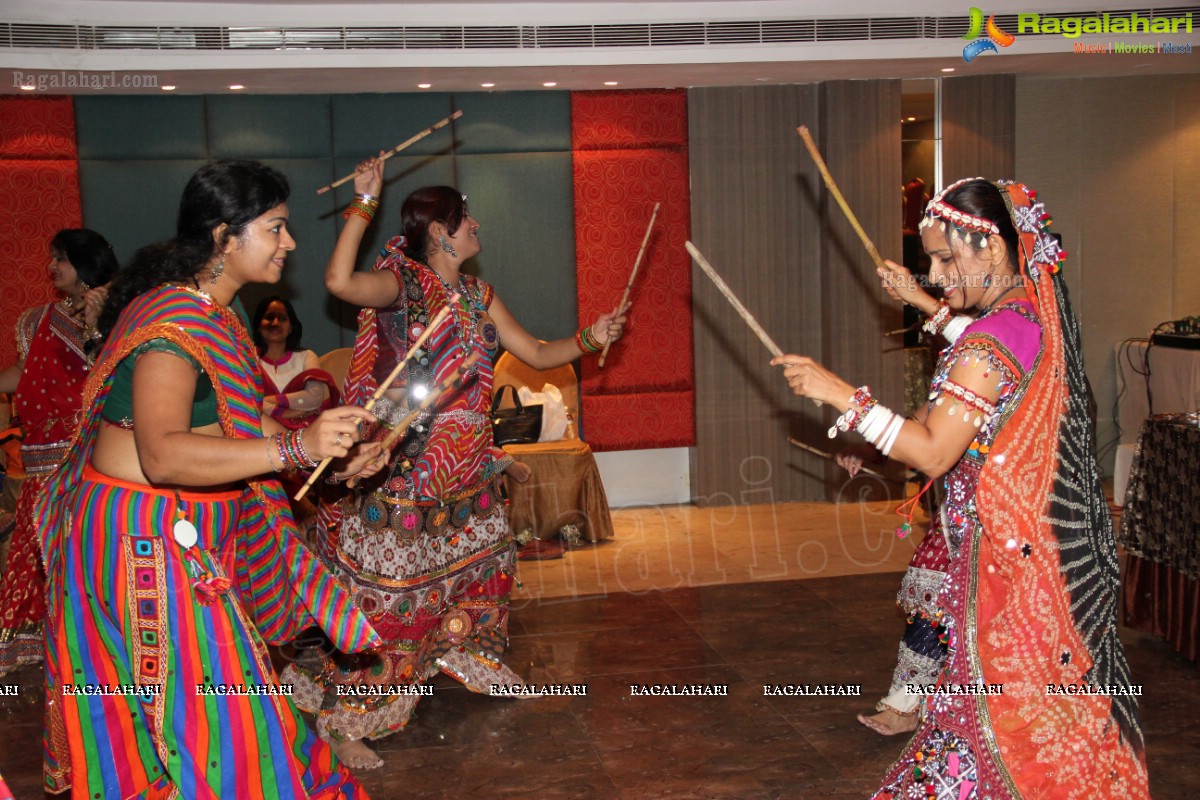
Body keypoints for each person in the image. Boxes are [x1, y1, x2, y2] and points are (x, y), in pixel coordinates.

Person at [772, 179, 1148, 798]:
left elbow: (936, 451)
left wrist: (839, 393)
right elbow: (971, 406)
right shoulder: (1030, 315)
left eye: (947, 259)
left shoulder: (992, 337)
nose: (939, 275)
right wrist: (922, 302)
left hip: (1003, 566)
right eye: (931, 263)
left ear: (993, 248)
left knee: (999, 722)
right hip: (1034, 554)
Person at [36, 160, 387, 799]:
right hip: (140, 541)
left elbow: (239, 423)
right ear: (226, 236)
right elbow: (164, 454)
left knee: (214, 708)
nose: (290, 244)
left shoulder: (218, 316)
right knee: (213, 715)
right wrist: (294, 444)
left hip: (175, 537)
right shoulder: (173, 324)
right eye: (277, 228)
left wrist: (331, 459)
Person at [283, 155, 627, 770]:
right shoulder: (403, 283)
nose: (477, 228)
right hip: (405, 468)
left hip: (468, 470)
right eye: (466, 220)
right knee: (395, 596)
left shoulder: (478, 294)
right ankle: (351, 717)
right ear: (440, 231)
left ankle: (469, 656)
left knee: (482, 572)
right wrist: (365, 202)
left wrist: (593, 337)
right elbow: (338, 282)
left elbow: (541, 353)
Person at [0, 229, 116, 792]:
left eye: (61, 259)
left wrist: (102, 323)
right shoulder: (34, 321)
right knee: (47, 573)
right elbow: (24, 378)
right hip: (41, 467)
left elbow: (113, 376)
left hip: (88, 467)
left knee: (86, 577)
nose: (52, 266)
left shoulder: (115, 309)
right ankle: (65, 674)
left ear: (86, 262)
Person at [253, 294, 337, 427]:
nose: (275, 323)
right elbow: (246, 403)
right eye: (269, 317)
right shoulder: (248, 357)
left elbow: (314, 397)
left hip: (304, 432)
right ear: (258, 325)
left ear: (291, 327)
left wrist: (268, 401)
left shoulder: (306, 356)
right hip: (260, 434)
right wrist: (292, 413)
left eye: (282, 318)